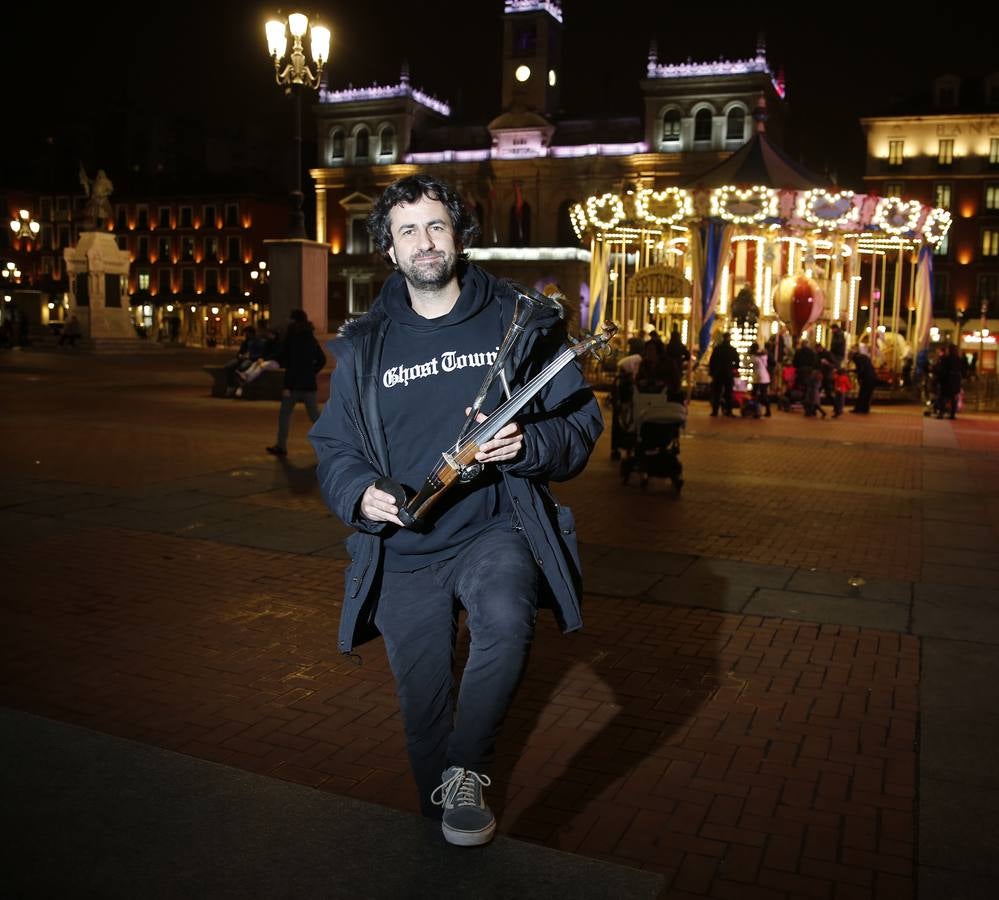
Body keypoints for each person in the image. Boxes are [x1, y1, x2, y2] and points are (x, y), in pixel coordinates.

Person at [308, 174, 602, 847]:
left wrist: (528, 445)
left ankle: (468, 772)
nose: (424, 241)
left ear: (459, 234)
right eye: (407, 230)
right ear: (388, 248)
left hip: (494, 527)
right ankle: (439, 810)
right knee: (423, 704)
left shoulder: (518, 321)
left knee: (504, 616)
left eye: (435, 226)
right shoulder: (364, 347)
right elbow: (333, 446)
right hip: (405, 545)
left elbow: (580, 426)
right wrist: (357, 491)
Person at [265, 310, 326, 456]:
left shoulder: (291, 337)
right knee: (315, 416)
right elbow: (322, 360)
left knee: (285, 415)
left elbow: (284, 357)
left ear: (293, 320)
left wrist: (269, 360)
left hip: (292, 384)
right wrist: (312, 372)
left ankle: (281, 446)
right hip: (309, 384)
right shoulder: (311, 338)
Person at [708, 332, 739, 416]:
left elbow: (712, 361)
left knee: (717, 393)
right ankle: (729, 411)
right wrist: (734, 368)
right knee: (729, 393)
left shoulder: (718, 349)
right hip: (728, 373)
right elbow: (737, 362)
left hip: (718, 373)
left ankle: (715, 411)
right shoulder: (732, 349)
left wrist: (712, 372)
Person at [748, 341, 771, 418]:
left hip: (758, 377)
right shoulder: (764, 355)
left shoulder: (753, 357)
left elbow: (749, 363)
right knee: (763, 395)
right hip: (765, 377)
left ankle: (756, 411)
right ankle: (767, 410)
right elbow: (766, 364)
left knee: (755, 395)